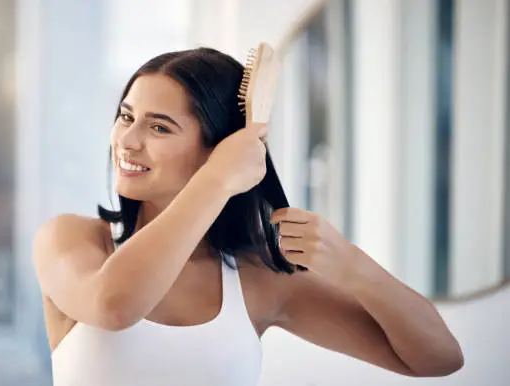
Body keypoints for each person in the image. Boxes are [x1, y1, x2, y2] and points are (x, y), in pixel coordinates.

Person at [33, 47, 463, 385]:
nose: (127, 140)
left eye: (159, 127)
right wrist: (219, 177)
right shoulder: (73, 240)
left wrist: (354, 266)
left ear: (218, 145)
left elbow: (437, 359)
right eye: (126, 116)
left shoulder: (256, 282)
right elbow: (116, 306)